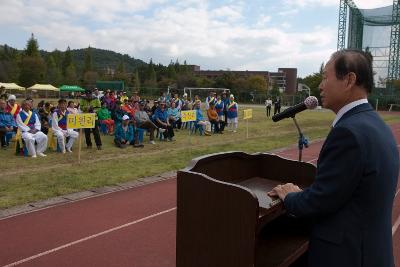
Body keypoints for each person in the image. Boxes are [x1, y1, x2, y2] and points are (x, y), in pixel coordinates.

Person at [268, 50, 399, 267]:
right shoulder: (375, 124)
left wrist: (290, 196)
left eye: (325, 77)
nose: (320, 85)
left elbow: (321, 201)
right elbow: (343, 192)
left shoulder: (348, 132)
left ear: (349, 80)